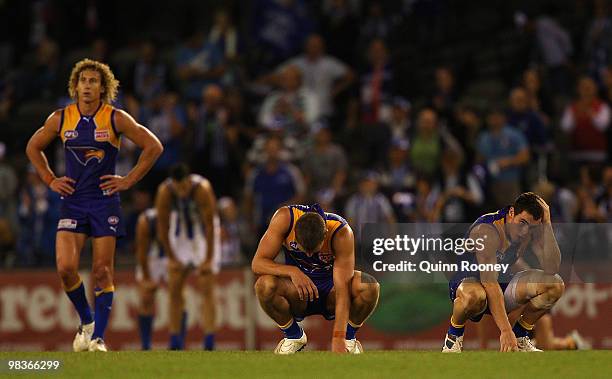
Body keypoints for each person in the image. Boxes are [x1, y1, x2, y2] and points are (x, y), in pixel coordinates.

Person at [25, 58, 163, 352]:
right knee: (65, 268)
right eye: (83, 81)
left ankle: (99, 338)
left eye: (94, 81)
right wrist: (50, 179)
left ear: (103, 88)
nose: (87, 86)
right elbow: (32, 147)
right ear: (75, 87)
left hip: (104, 203)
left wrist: (128, 180)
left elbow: (154, 146)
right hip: (72, 202)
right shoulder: (61, 118)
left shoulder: (115, 118)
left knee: (102, 271)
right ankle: (86, 321)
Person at [442, 192, 564, 352]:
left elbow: (552, 268)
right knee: (475, 296)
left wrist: (547, 223)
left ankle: (521, 336)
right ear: (511, 213)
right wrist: (506, 331)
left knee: (554, 284)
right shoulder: (487, 231)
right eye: (522, 223)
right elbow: (489, 283)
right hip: (469, 284)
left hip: (500, 283)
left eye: (531, 227)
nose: (524, 232)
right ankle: (453, 337)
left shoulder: (527, 228)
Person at [252, 204, 380, 354]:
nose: (308, 255)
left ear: (325, 234)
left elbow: (342, 289)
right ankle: (293, 335)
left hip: (331, 289)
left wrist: (339, 337)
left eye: (313, 251)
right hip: (298, 292)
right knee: (264, 285)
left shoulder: (341, 231)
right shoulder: (284, 219)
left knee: (369, 286)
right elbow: (258, 263)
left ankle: (349, 339)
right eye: (303, 250)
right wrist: (292, 271)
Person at [155, 164, 220, 350]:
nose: (182, 191)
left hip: (202, 235)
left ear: (188, 181)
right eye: (178, 188)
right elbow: (162, 226)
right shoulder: (165, 192)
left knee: (207, 286)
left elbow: (209, 225)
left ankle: (209, 340)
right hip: (180, 233)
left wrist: (208, 258)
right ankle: (175, 339)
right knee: (174, 286)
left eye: (184, 187)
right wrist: (171, 257)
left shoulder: (202, 189)